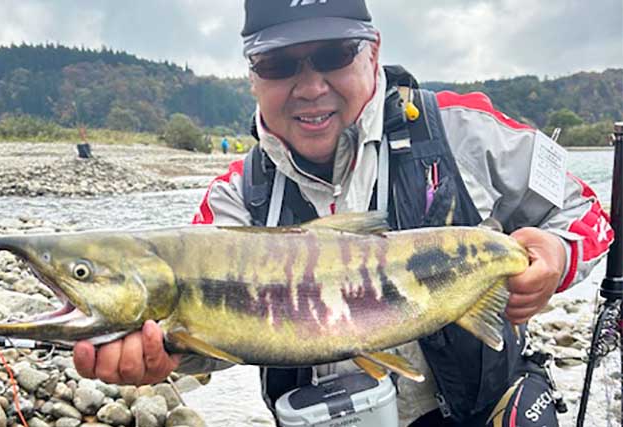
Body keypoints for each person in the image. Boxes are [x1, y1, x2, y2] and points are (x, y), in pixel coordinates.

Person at [73, 1, 613, 426]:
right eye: (279, 65)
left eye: (334, 55)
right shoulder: (233, 201)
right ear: (253, 76)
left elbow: (586, 213)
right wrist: (169, 357)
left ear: (372, 53)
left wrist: (556, 256)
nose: (310, 87)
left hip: (478, 415)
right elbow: (207, 341)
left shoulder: (464, 129)